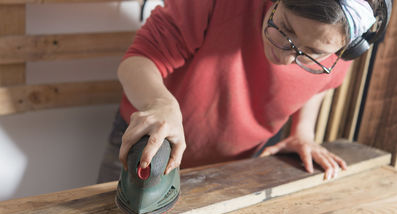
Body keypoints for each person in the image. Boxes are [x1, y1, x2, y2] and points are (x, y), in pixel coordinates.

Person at [97, 0, 378, 183]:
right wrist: (159, 103)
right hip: (148, 148)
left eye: (311, 53)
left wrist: (303, 133)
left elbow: (322, 86)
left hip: (238, 167)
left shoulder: (338, 50)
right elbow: (138, 59)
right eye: (284, 29)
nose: (284, 57)